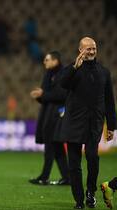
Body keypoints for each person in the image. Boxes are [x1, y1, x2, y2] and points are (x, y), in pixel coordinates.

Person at [60, 37, 116, 209]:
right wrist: (73, 67)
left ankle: (90, 193)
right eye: (88, 49)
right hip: (74, 123)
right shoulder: (72, 70)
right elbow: (62, 83)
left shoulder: (104, 72)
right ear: (80, 50)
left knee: (93, 159)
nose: (91, 52)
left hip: (94, 124)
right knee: (74, 165)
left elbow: (109, 100)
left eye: (93, 48)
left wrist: (112, 125)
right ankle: (78, 200)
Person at [29, 51, 69, 186]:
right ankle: (67, 177)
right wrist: (40, 96)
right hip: (49, 112)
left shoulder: (63, 74)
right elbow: (47, 97)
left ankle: (44, 177)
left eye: (47, 60)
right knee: (57, 147)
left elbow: (62, 95)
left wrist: (43, 94)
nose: (44, 62)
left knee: (50, 145)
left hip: (57, 114)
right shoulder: (49, 74)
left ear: (55, 61)